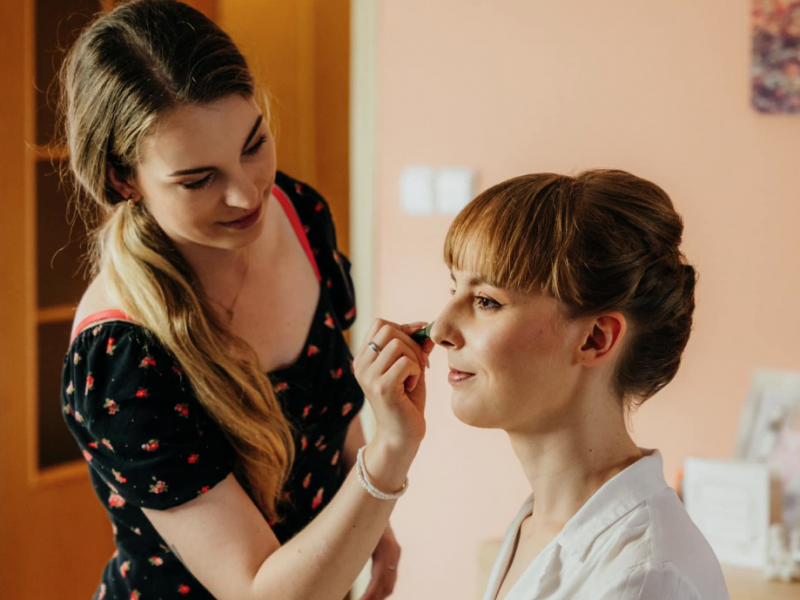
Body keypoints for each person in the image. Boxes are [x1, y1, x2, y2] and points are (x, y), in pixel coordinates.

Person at [59, 1, 433, 599]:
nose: (246, 195)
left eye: (254, 145)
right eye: (198, 179)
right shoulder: (122, 354)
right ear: (122, 179)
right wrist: (389, 459)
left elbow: (333, 409)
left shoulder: (300, 213)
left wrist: (371, 521)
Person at [429, 170, 730, 600]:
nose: (439, 329)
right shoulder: (537, 524)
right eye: (454, 290)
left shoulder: (642, 580)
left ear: (595, 339)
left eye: (486, 301)